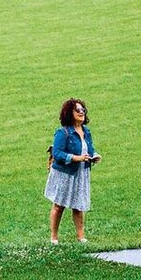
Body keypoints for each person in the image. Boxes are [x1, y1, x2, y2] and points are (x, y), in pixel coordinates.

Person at [45, 98, 99, 244]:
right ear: (69, 113)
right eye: (78, 110)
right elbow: (57, 153)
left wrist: (94, 156)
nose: (82, 112)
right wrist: (76, 158)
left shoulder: (86, 131)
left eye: (83, 110)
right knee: (59, 205)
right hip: (65, 174)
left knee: (78, 205)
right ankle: (54, 237)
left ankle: (81, 237)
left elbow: (89, 149)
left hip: (81, 173)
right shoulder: (63, 133)